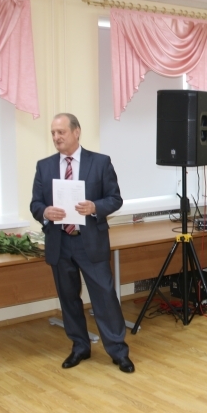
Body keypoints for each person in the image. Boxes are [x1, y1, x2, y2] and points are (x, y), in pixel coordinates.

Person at [30, 113, 134, 374]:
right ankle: (80, 346)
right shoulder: (44, 166)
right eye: (53, 133)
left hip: (90, 242)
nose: (56, 137)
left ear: (76, 132)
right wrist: (45, 212)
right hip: (60, 242)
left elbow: (115, 199)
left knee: (105, 297)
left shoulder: (100, 162)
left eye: (61, 132)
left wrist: (94, 207)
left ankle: (118, 351)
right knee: (68, 299)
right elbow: (35, 204)